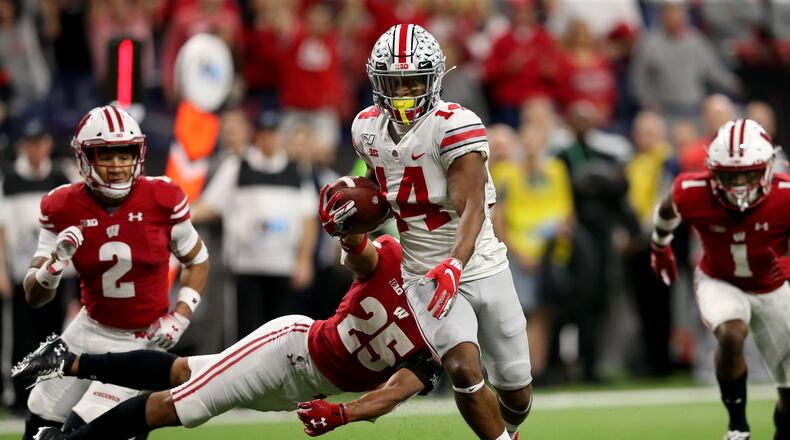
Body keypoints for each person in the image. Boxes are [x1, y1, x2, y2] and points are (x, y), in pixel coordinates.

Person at [14, 192, 440, 440]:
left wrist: (344, 414)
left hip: (306, 388)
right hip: (290, 350)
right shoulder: (395, 256)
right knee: (179, 406)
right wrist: (349, 227)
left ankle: (64, 360)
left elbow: (397, 391)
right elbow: (360, 257)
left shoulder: (448, 327)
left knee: (182, 372)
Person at [338, 23, 532, 440]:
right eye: (395, 82)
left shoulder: (454, 125)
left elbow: (472, 207)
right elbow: (378, 192)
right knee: (462, 366)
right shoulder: (366, 130)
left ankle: (510, 431)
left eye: (413, 81)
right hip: (423, 273)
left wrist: (456, 264)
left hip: (480, 263)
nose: (404, 92)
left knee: (517, 393)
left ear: (435, 79)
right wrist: (352, 216)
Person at [18, 105, 210, 440]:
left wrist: (180, 315)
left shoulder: (162, 197)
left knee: (86, 429)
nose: (118, 166)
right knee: (38, 420)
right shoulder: (61, 205)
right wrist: (52, 268)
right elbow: (34, 295)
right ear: (84, 158)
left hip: (141, 339)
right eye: (106, 155)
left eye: (125, 154)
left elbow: (198, 260)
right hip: (89, 328)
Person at [650, 119, 790, 440]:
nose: (740, 184)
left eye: (748, 173)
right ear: (713, 171)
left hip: (772, 285)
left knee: (789, 394)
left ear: (768, 168)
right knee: (730, 333)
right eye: (730, 175)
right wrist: (660, 247)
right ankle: (737, 427)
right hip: (720, 279)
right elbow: (667, 211)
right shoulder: (691, 191)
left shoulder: (785, 195)